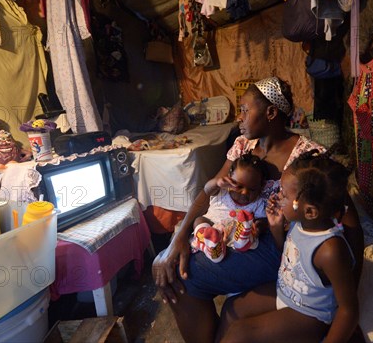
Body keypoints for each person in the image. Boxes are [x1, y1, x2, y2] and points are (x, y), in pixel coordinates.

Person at [151, 76, 360, 343]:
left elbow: (349, 224)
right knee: (168, 262)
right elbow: (210, 191)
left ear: (271, 112)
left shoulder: (306, 159)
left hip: (275, 247)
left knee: (182, 276)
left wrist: (349, 293)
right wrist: (178, 237)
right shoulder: (243, 146)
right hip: (238, 236)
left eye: (245, 110)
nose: (239, 117)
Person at [217, 151, 363, 343]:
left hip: (310, 315)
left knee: (240, 334)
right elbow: (289, 258)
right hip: (287, 294)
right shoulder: (299, 223)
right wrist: (276, 227)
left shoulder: (330, 250)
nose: (277, 197)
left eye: (284, 194)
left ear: (310, 211)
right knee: (231, 308)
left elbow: (348, 310)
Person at [191, 153, 269, 262]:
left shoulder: (257, 202)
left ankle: (238, 243)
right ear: (229, 179)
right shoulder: (221, 191)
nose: (244, 192)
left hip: (236, 235)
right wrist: (217, 183)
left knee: (248, 233)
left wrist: (258, 228)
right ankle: (211, 245)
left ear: (260, 187)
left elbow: (263, 220)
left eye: (252, 190)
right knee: (199, 220)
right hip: (212, 228)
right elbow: (207, 189)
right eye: (239, 186)